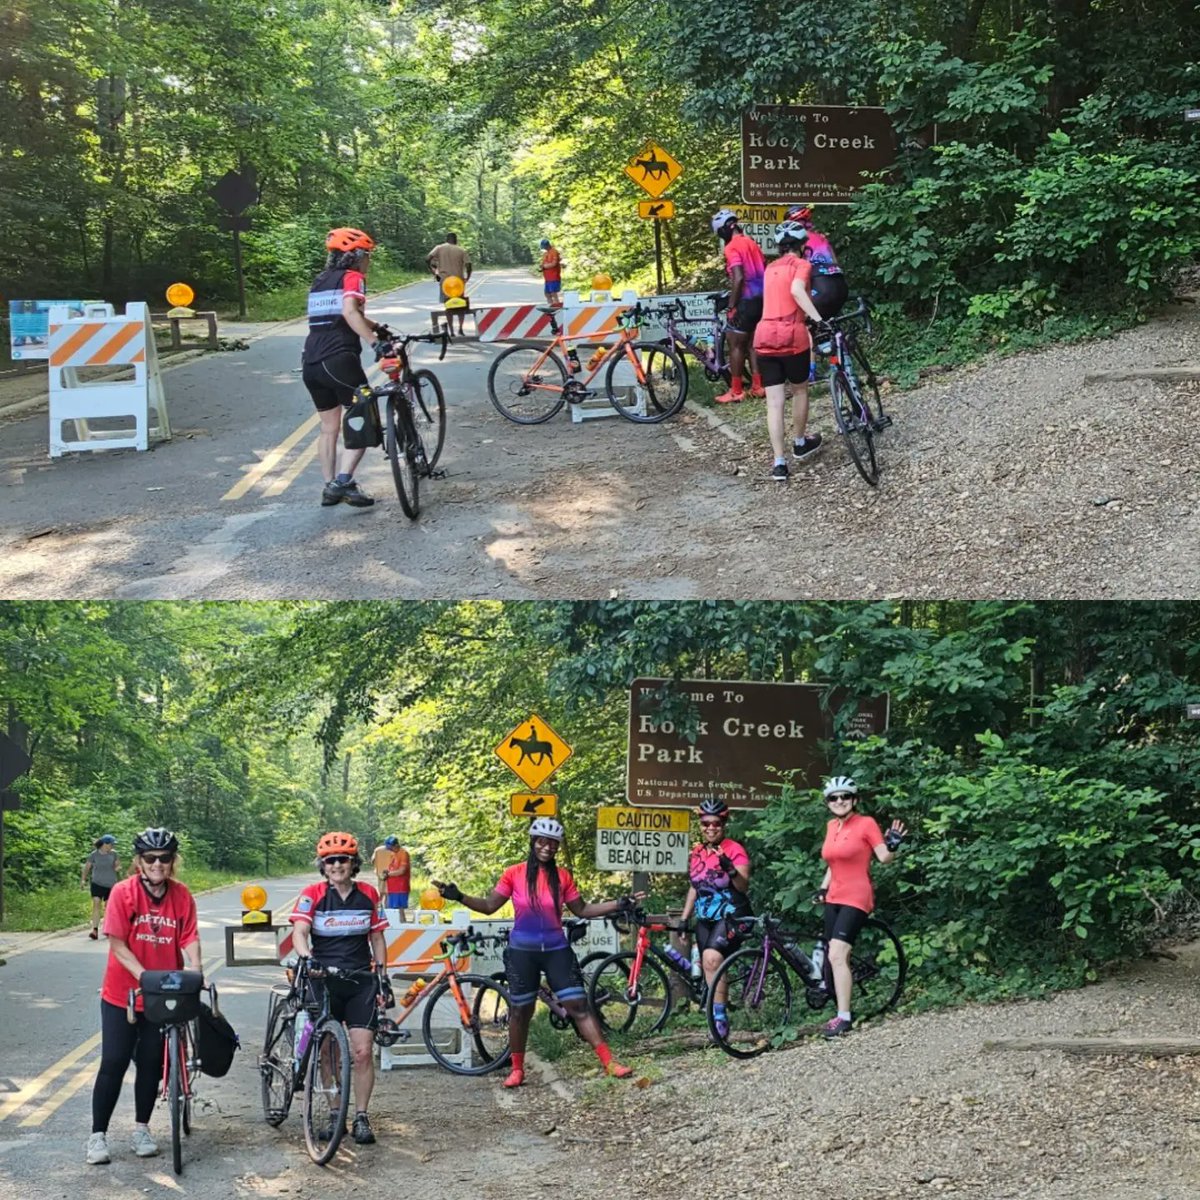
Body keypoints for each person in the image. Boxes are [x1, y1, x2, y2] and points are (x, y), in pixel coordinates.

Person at [432, 817, 639, 1088]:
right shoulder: (514, 873)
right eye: (542, 841)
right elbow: (489, 906)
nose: (548, 847)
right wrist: (459, 896)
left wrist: (617, 904)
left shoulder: (562, 876)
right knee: (520, 1011)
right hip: (522, 952)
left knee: (579, 1007)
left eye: (553, 843)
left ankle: (610, 1063)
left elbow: (583, 910)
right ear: (533, 842)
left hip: (556, 949)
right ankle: (517, 1069)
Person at [87, 828, 201, 1165]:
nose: (157, 864)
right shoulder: (123, 893)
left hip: (162, 995)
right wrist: (143, 977)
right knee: (114, 1061)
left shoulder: (181, 896)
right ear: (139, 861)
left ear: (172, 862)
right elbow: (117, 944)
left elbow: (190, 936)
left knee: (152, 1064)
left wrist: (196, 967)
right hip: (122, 995)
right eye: (150, 858)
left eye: (164, 858)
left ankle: (142, 1128)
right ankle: (97, 1136)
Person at [290, 832, 389, 1145]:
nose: (336, 865)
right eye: (330, 860)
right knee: (329, 1053)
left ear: (353, 863)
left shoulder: (369, 894)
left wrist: (382, 975)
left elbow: (376, 938)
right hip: (323, 979)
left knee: (362, 1052)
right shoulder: (313, 894)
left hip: (360, 980)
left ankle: (360, 1116)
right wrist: (306, 957)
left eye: (342, 860)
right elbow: (300, 931)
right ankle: (336, 1115)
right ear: (323, 865)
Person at [302, 226, 387, 509]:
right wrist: (376, 342)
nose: (368, 262)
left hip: (311, 362)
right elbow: (350, 312)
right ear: (356, 255)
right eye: (367, 256)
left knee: (329, 428)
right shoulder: (353, 278)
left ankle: (331, 486)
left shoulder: (321, 280)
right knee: (364, 412)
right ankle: (343, 480)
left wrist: (377, 326)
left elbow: (339, 314)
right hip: (339, 358)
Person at [816, 776, 907, 1038]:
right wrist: (823, 888)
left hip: (856, 895)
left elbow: (884, 858)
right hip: (833, 896)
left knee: (836, 955)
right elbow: (833, 863)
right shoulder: (831, 825)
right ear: (828, 803)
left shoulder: (865, 824)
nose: (840, 801)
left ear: (854, 800)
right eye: (834, 797)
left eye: (845, 796)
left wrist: (893, 844)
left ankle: (844, 1018)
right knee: (834, 954)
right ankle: (841, 1006)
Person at [753, 218, 829, 482]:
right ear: (802, 245)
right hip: (791, 335)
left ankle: (779, 463)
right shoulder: (802, 265)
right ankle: (799, 442)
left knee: (774, 402)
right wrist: (819, 320)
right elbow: (796, 290)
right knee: (799, 389)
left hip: (763, 336)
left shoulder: (769, 268)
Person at [679, 798, 751, 1040]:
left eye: (716, 823)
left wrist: (729, 868)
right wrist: (684, 918)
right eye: (705, 823)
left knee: (711, 958)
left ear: (724, 823)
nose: (711, 827)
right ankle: (717, 1013)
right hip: (705, 916)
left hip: (733, 913)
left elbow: (743, 886)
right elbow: (694, 887)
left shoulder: (734, 849)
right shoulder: (698, 852)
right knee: (710, 966)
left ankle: (719, 1021)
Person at [710, 209, 767, 404]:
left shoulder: (732, 247)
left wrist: (732, 306)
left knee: (734, 343)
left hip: (747, 299)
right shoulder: (751, 243)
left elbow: (739, 277)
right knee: (753, 344)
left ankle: (736, 391)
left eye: (719, 233)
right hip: (763, 298)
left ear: (724, 230)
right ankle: (758, 386)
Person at [785, 205, 849, 319]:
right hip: (840, 285)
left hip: (820, 287)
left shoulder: (797, 241)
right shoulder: (821, 237)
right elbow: (835, 262)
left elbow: (794, 271)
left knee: (800, 320)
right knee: (828, 325)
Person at [425, 233, 473, 335]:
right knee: (461, 305)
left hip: (446, 281)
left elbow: (427, 258)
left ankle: (451, 331)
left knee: (449, 306)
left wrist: (434, 272)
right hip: (458, 281)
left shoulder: (439, 248)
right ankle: (460, 328)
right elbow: (468, 265)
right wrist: (467, 277)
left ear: (446, 239)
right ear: (456, 240)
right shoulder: (461, 250)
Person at [82, 834, 121, 940]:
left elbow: (118, 865)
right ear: (105, 844)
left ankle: (107, 928)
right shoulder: (94, 855)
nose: (113, 846)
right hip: (97, 883)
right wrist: (83, 880)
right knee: (96, 904)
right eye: (111, 844)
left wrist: (117, 867)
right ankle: (94, 930)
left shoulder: (114, 854)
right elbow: (87, 867)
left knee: (108, 907)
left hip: (110, 884)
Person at [382, 837, 411, 921]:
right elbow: (393, 868)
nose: (390, 850)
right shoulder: (393, 854)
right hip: (392, 886)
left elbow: (402, 871)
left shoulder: (404, 853)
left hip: (400, 886)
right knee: (391, 908)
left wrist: (388, 874)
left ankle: (402, 925)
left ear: (396, 845)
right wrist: (387, 871)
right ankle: (393, 925)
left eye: (391, 847)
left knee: (399, 909)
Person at [538, 238, 563, 306]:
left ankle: (557, 307)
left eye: (544, 247)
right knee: (547, 294)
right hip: (548, 278)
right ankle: (550, 306)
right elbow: (544, 263)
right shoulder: (546, 253)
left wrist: (545, 266)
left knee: (553, 293)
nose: (544, 248)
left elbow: (554, 264)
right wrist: (541, 267)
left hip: (554, 277)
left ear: (547, 245)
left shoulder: (554, 252)